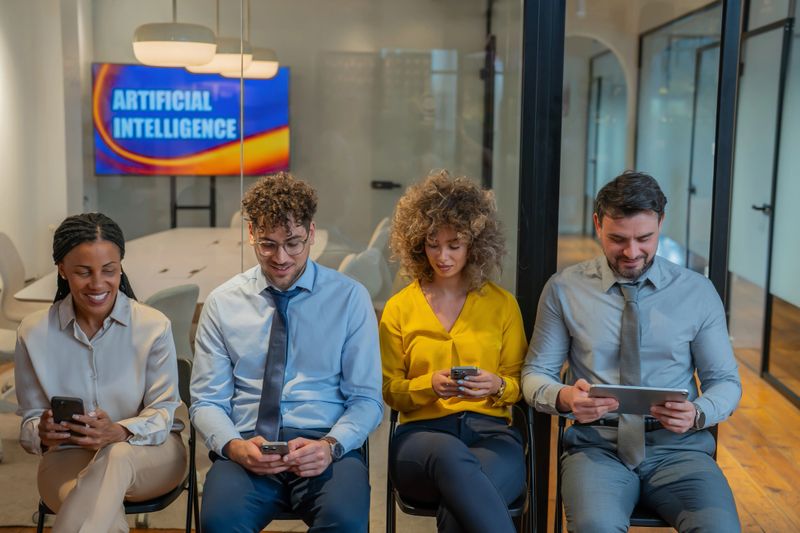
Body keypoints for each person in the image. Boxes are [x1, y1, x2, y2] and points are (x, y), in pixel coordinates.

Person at [522, 171, 742, 532]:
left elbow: (725, 382)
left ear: (661, 223)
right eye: (617, 239)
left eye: (645, 238)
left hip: (679, 449)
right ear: (597, 224)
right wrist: (563, 398)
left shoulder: (697, 292)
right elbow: (534, 374)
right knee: (596, 528)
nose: (631, 252)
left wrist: (697, 414)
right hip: (596, 447)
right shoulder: (565, 289)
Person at [190, 172, 383, 533]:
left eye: (293, 243)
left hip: (323, 445)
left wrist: (330, 445)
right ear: (250, 234)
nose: (280, 257)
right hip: (248, 445)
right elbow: (206, 401)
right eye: (267, 244)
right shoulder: (223, 302)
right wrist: (233, 446)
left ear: (312, 234)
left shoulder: (349, 298)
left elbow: (367, 399)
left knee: (347, 522)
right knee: (219, 522)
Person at [14, 213, 186, 533]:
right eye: (83, 272)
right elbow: (29, 419)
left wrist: (119, 432)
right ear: (62, 270)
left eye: (109, 270)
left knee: (117, 456)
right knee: (98, 517)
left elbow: (164, 412)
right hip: (67, 457)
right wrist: (41, 432)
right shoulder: (33, 333)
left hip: (151, 453)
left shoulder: (153, 326)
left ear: (120, 266)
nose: (97, 284)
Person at [380, 170, 527, 533]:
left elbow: (520, 383)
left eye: (454, 245)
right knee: (451, 460)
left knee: (458, 512)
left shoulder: (502, 305)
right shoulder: (399, 308)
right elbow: (388, 390)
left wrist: (496, 387)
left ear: (475, 243)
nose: (442, 256)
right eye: (432, 243)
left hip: (492, 434)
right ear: (417, 242)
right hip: (421, 441)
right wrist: (428, 385)